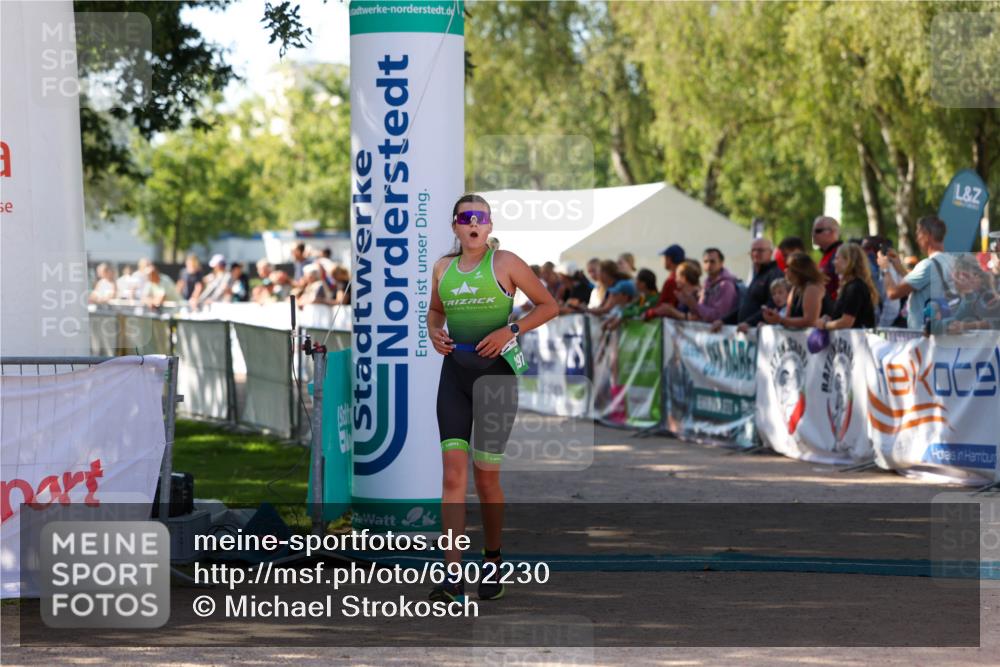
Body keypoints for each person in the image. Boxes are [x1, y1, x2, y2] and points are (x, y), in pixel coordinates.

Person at [427, 193, 558, 604]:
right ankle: (452, 575)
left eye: (480, 218)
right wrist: (433, 332)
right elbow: (434, 312)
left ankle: (493, 561)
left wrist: (512, 331)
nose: (473, 224)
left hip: (496, 379)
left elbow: (548, 305)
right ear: (454, 226)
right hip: (455, 376)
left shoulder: (505, 263)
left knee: (485, 480)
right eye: (465, 218)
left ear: (490, 226)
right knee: (452, 477)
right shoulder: (443, 267)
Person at [878, 215, 955, 331]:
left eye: (918, 234)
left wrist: (885, 269)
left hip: (923, 337)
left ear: (927, 235)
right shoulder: (951, 261)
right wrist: (898, 266)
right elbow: (919, 284)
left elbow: (893, 293)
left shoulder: (927, 265)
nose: (917, 239)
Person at [818, 243, 879, 330]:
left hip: (857, 341)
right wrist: (830, 319)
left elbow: (846, 322)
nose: (833, 262)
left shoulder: (855, 287)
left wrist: (824, 325)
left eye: (837, 258)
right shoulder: (850, 286)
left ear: (848, 261)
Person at [726, 238, 783, 331]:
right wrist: (723, 321)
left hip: (760, 335)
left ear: (770, 253)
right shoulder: (758, 274)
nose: (756, 253)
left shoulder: (774, 273)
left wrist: (749, 323)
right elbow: (746, 305)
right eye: (753, 250)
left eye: (760, 250)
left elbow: (773, 304)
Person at [762, 252, 831, 329]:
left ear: (798, 270)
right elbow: (789, 317)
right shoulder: (795, 289)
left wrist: (780, 320)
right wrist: (775, 317)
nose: (785, 270)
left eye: (788, 267)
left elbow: (810, 321)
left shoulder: (812, 287)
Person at [678, 248, 739, 323]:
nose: (709, 265)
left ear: (721, 263)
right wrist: (689, 303)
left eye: (712, 262)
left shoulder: (726, 285)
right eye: (705, 261)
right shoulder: (707, 283)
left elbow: (719, 316)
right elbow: (700, 313)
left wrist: (695, 305)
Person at [944, 254, 1000, 333]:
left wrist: (965, 326)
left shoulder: (987, 292)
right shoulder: (970, 294)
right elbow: (956, 319)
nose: (953, 282)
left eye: (955, 276)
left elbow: (995, 322)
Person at [644, 244, 685, 319]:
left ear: (669, 259)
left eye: (665, 258)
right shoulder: (684, 278)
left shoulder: (672, 280)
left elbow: (665, 306)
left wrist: (647, 314)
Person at [813, 216, 843, 300]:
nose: (813, 234)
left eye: (818, 231)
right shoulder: (827, 254)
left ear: (832, 232)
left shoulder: (840, 253)